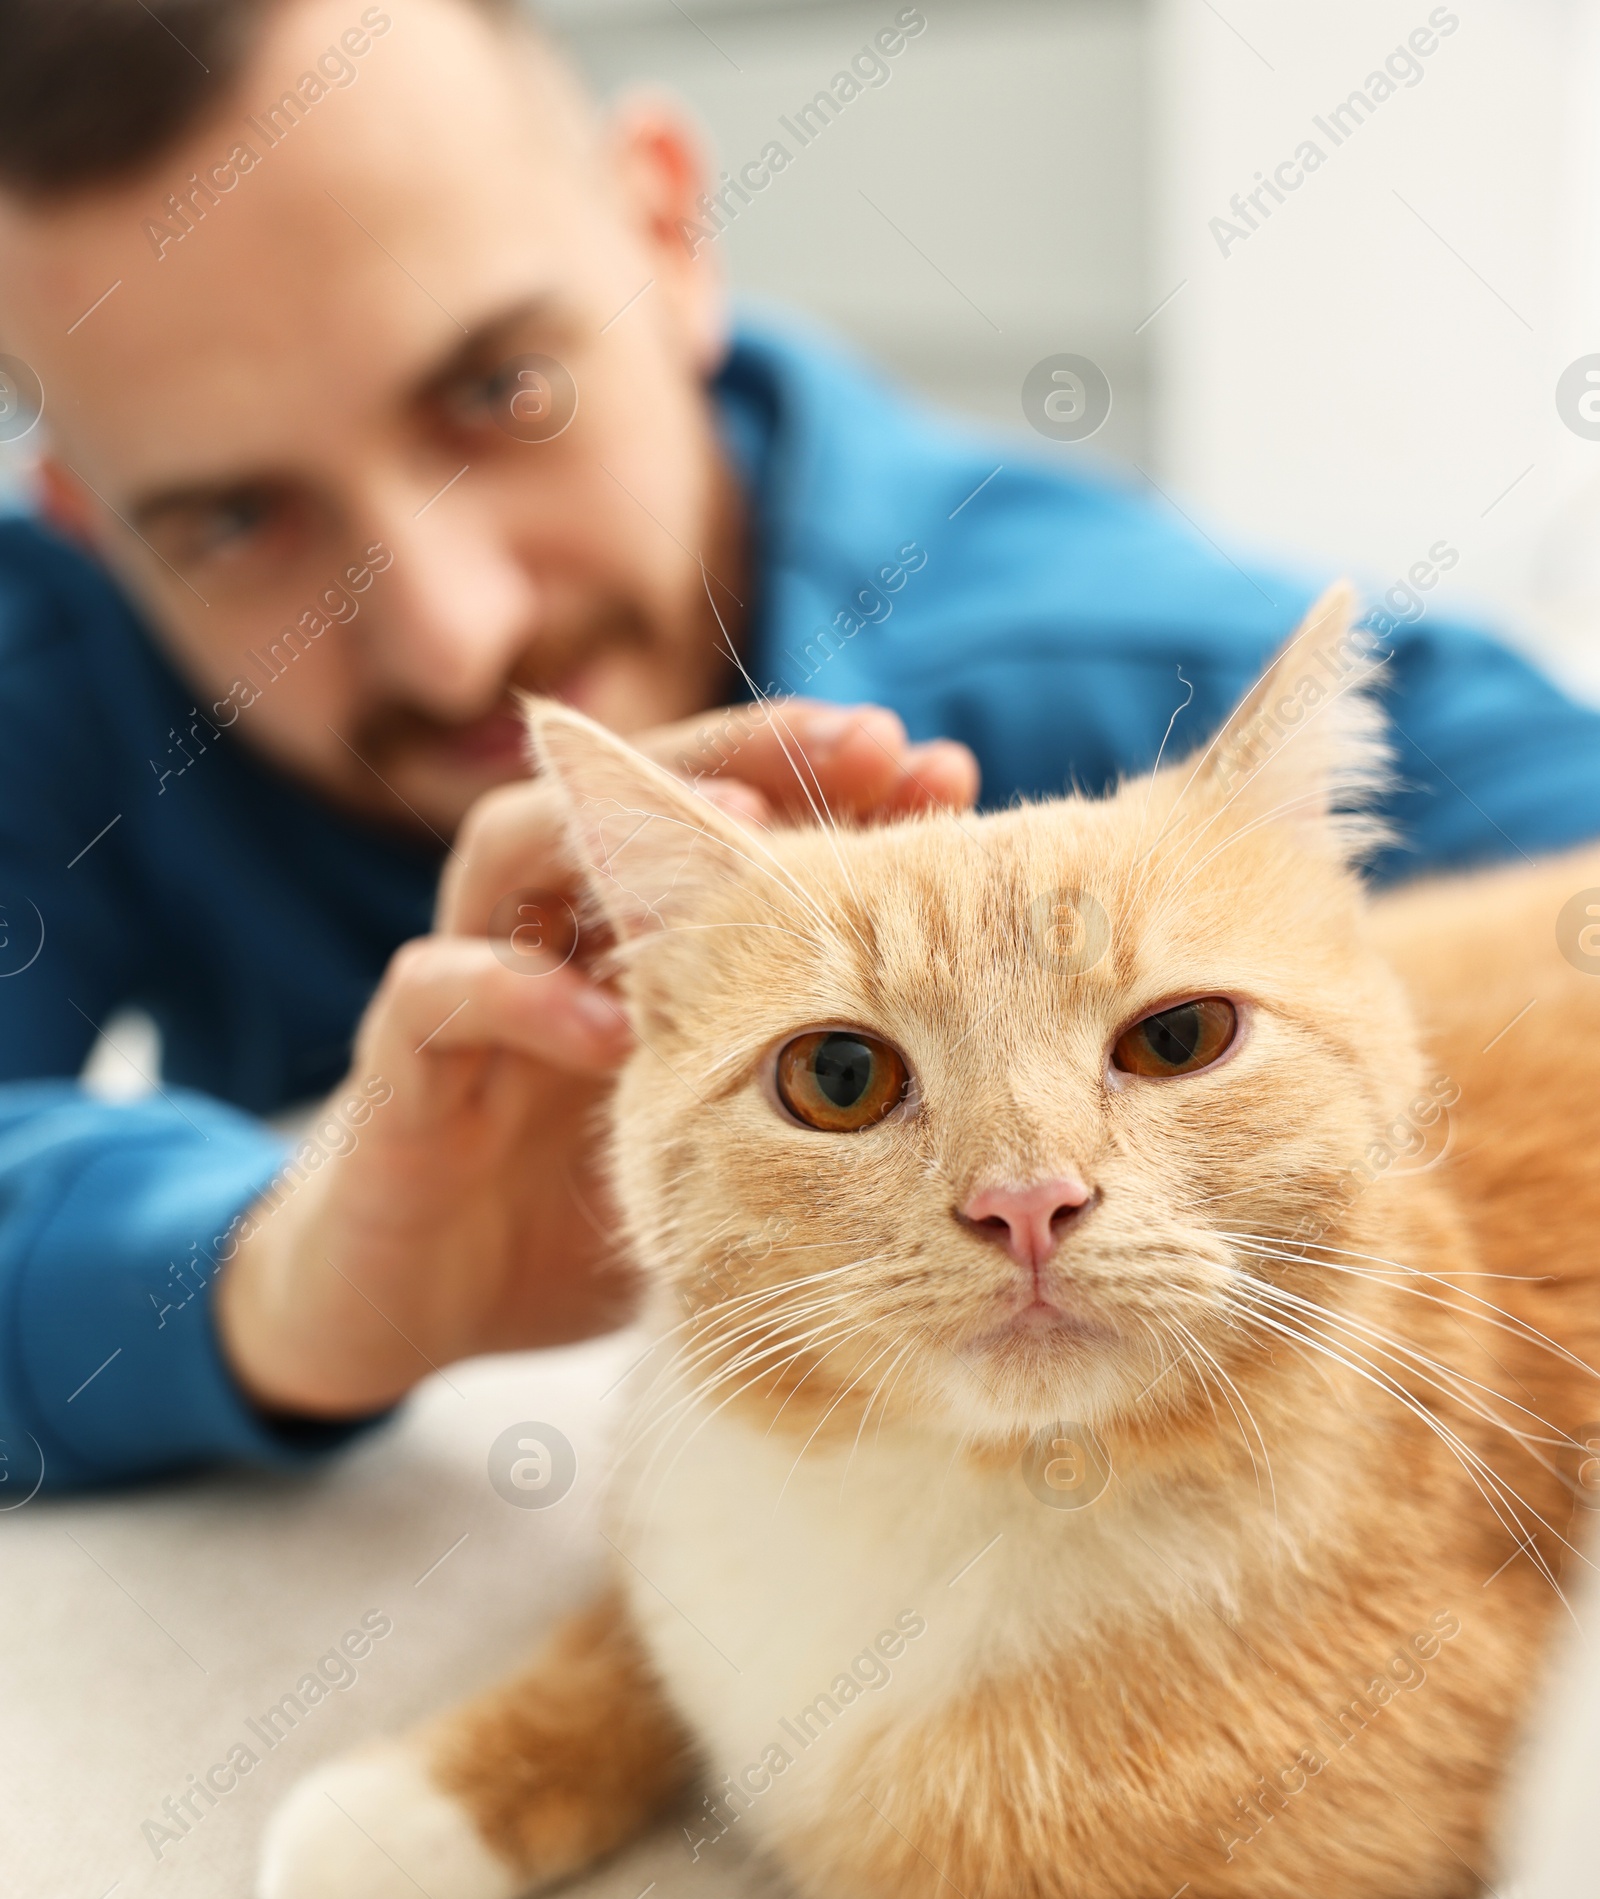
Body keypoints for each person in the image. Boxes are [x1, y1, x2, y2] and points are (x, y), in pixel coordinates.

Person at [0, 0, 1596, 1493]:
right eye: (233, 521)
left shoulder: (1100, 659)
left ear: (668, 229)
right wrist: (269, 1288)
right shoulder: (54, 652)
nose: (452, 633)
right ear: (83, 518)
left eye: (504, 391)